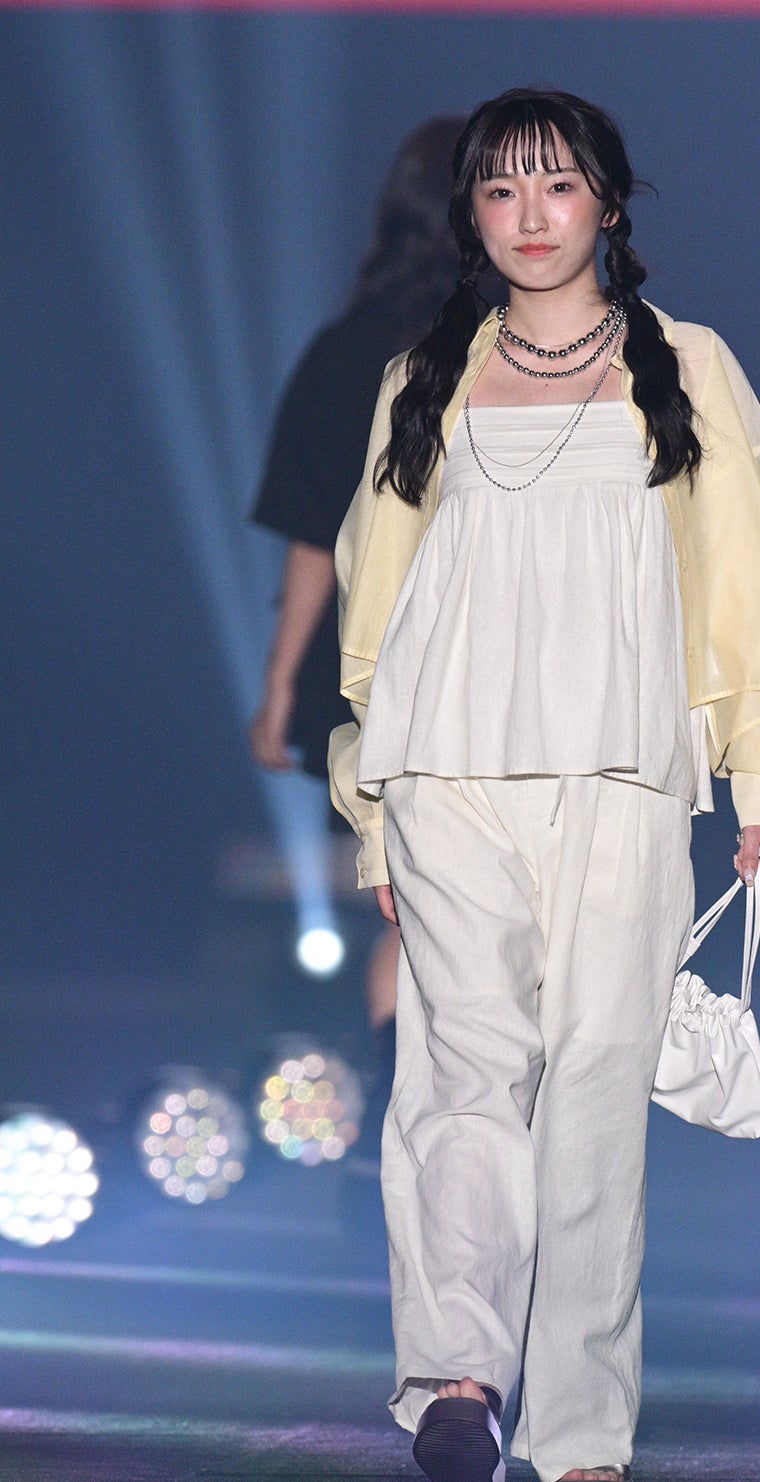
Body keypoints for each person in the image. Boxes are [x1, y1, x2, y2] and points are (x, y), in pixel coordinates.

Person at [328, 88, 760, 1482]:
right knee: (461, 1069)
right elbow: (376, 613)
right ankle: (459, 1383)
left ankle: (584, 1428)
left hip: (622, 772)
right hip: (447, 771)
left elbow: (754, 582)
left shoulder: (690, 367)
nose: (530, 215)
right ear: (471, 215)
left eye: (557, 185)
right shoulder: (425, 377)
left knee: (600, 1078)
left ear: (608, 202)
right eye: (500, 189)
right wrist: (375, 809)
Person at [247, 116, 467, 1066]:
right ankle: (428, 1117)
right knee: (452, 917)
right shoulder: (520, 353)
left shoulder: (345, 353)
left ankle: (400, 1111)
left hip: (374, 681)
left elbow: (313, 539)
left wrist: (280, 691)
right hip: (482, 674)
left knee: (417, 913)